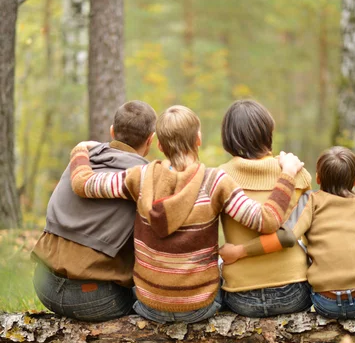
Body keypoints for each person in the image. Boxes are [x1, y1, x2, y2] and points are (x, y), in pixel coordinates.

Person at [69, 105, 304, 324]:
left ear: (160, 145)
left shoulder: (138, 178)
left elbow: (83, 184)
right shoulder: (215, 182)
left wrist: (80, 150)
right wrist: (288, 174)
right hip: (199, 306)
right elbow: (267, 220)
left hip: (149, 304)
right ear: (198, 139)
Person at [32, 100, 156, 343]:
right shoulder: (144, 180)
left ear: (112, 131)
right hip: (94, 299)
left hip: (44, 285)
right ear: (151, 140)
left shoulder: (80, 162)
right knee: (152, 301)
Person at [220, 146, 355, 320]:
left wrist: (239, 251)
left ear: (318, 178)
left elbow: (286, 236)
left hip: (325, 301)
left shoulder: (312, 201)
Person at [218, 99, 313, 317]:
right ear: (268, 131)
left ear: (228, 138)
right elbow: (294, 236)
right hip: (294, 292)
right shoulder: (297, 173)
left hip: (240, 296)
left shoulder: (219, 177)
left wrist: (238, 252)